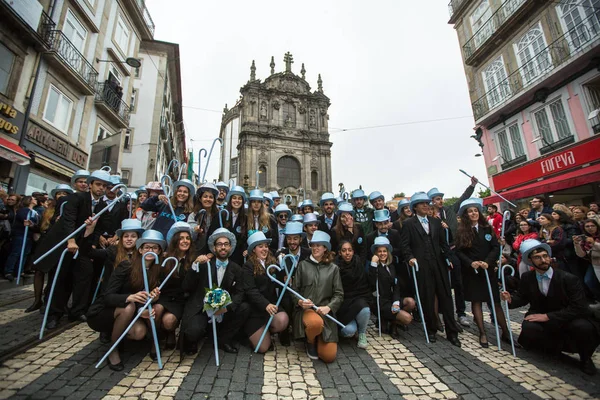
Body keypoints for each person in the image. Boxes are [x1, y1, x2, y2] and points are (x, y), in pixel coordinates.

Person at [501, 239, 600, 375]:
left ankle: (585, 358)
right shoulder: (527, 277)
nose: (543, 260)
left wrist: (548, 317)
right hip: (542, 313)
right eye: (537, 257)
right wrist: (510, 299)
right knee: (529, 327)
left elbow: (579, 307)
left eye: (545, 256)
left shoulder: (569, 278)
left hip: (568, 317)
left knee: (584, 327)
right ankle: (552, 349)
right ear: (530, 261)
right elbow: (522, 297)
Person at [34, 169, 111, 329]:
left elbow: (99, 229)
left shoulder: (103, 205)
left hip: (83, 247)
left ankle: (77, 310)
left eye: (104, 185)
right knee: (60, 278)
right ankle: (53, 313)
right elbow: (68, 220)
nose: (101, 188)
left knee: (86, 273)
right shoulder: (76, 198)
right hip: (65, 245)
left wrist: (92, 243)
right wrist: (71, 241)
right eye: (98, 184)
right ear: (90, 185)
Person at [87, 230, 165, 370]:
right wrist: (129, 297)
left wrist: (152, 299)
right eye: (147, 247)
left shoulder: (156, 271)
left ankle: (122, 338)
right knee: (128, 307)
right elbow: (107, 296)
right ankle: (113, 349)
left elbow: (144, 300)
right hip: (106, 311)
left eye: (154, 248)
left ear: (159, 251)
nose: (150, 251)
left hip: (131, 312)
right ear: (140, 250)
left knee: (139, 333)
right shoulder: (126, 266)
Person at [400, 192, 462, 346]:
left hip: (439, 264)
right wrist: (410, 258)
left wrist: (448, 258)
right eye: (422, 203)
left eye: (427, 203)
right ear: (415, 207)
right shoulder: (408, 224)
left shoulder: (435, 222)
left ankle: (452, 332)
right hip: (422, 266)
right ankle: (431, 329)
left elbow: (443, 244)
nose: (426, 206)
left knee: (446, 297)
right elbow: (405, 246)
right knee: (427, 298)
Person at [181, 228, 248, 355]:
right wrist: (195, 265)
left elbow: (240, 292)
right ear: (214, 248)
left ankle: (224, 339)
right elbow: (186, 286)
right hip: (203, 308)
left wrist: (226, 308)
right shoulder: (204, 264)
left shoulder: (237, 269)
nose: (223, 247)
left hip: (224, 310)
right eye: (219, 244)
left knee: (244, 308)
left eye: (226, 244)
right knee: (192, 332)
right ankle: (199, 336)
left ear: (230, 247)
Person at [455, 198, 511, 348]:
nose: (473, 213)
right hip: (472, 271)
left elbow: (495, 247)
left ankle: (505, 332)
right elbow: (459, 251)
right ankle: (482, 332)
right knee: (476, 302)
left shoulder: (487, 228)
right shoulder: (462, 231)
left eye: (475, 211)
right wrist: (470, 263)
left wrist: (488, 261)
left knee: (495, 302)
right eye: (470, 211)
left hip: (487, 269)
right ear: (466, 215)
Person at [292, 231, 343, 363]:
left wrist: (329, 307)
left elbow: (339, 294)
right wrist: (300, 302)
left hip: (326, 313)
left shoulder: (333, 268)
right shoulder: (303, 265)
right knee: (314, 323)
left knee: (329, 356)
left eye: (318, 245)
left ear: (325, 248)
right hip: (307, 310)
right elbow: (294, 290)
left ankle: (319, 337)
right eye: (313, 245)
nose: (315, 248)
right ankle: (310, 341)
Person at [242, 232, 289, 352]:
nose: (264, 249)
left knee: (283, 320)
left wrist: (285, 271)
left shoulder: (272, 262)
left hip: (271, 306)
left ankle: (268, 330)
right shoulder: (248, 267)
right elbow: (251, 290)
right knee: (262, 348)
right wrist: (265, 305)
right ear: (253, 250)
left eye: (266, 246)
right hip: (255, 311)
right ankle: (251, 333)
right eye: (260, 246)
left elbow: (280, 281)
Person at [369, 237, 416, 340]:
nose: (382, 254)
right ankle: (388, 321)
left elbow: (396, 286)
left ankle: (391, 324)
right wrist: (373, 264)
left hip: (391, 299)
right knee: (408, 319)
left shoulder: (391, 266)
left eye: (384, 251)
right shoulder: (374, 267)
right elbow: (371, 284)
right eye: (379, 251)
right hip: (381, 302)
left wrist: (396, 302)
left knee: (411, 302)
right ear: (376, 253)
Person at [158, 222, 194, 349]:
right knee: (156, 310)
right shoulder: (165, 259)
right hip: (165, 297)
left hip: (180, 299)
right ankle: (154, 341)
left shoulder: (193, 260)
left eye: (187, 238)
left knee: (168, 322)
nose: (185, 241)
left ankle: (170, 331)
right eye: (181, 238)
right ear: (175, 241)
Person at [336, 241, 371, 348]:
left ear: (353, 252)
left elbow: (363, 285)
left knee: (364, 309)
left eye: (350, 250)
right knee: (348, 332)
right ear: (339, 253)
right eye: (344, 250)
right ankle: (354, 325)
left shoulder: (358, 263)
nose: (347, 253)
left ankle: (362, 332)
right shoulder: (335, 267)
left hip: (357, 298)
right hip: (343, 304)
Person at [3, 196, 39, 281]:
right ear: (29, 201)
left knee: (25, 253)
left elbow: (36, 224)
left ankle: (19, 270)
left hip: (29, 236)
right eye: (34, 199)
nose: (35, 200)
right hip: (21, 235)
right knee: (16, 253)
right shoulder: (24, 210)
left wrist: (34, 225)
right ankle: (8, 271)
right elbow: (26, 220)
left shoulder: (35, 212)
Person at [574, 219, 600, 306]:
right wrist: (577, 244)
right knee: (589, 281)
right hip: (594, 264)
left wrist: (594, 244)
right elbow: (581, 255)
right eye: (587, 226)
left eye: (593, 226)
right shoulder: (584, 239)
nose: (590, 228)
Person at [188, 182, 219, 254]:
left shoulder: (218, 215)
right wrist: (195, 230)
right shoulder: (193, 215)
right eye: (205, 196)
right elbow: (190, 236)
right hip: (196, 251)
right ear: (200, 199)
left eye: (211, 197)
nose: (208, 199)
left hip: (213, 253)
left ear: (214, 200)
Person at [223, 186, 248, 266]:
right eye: (234, 198)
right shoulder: (222, 215)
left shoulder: (245, 219)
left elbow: (245, 238)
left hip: (238, 258)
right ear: (230, 200)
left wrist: (245, 249)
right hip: (222, 255)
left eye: (239, 198)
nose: (237, 201)